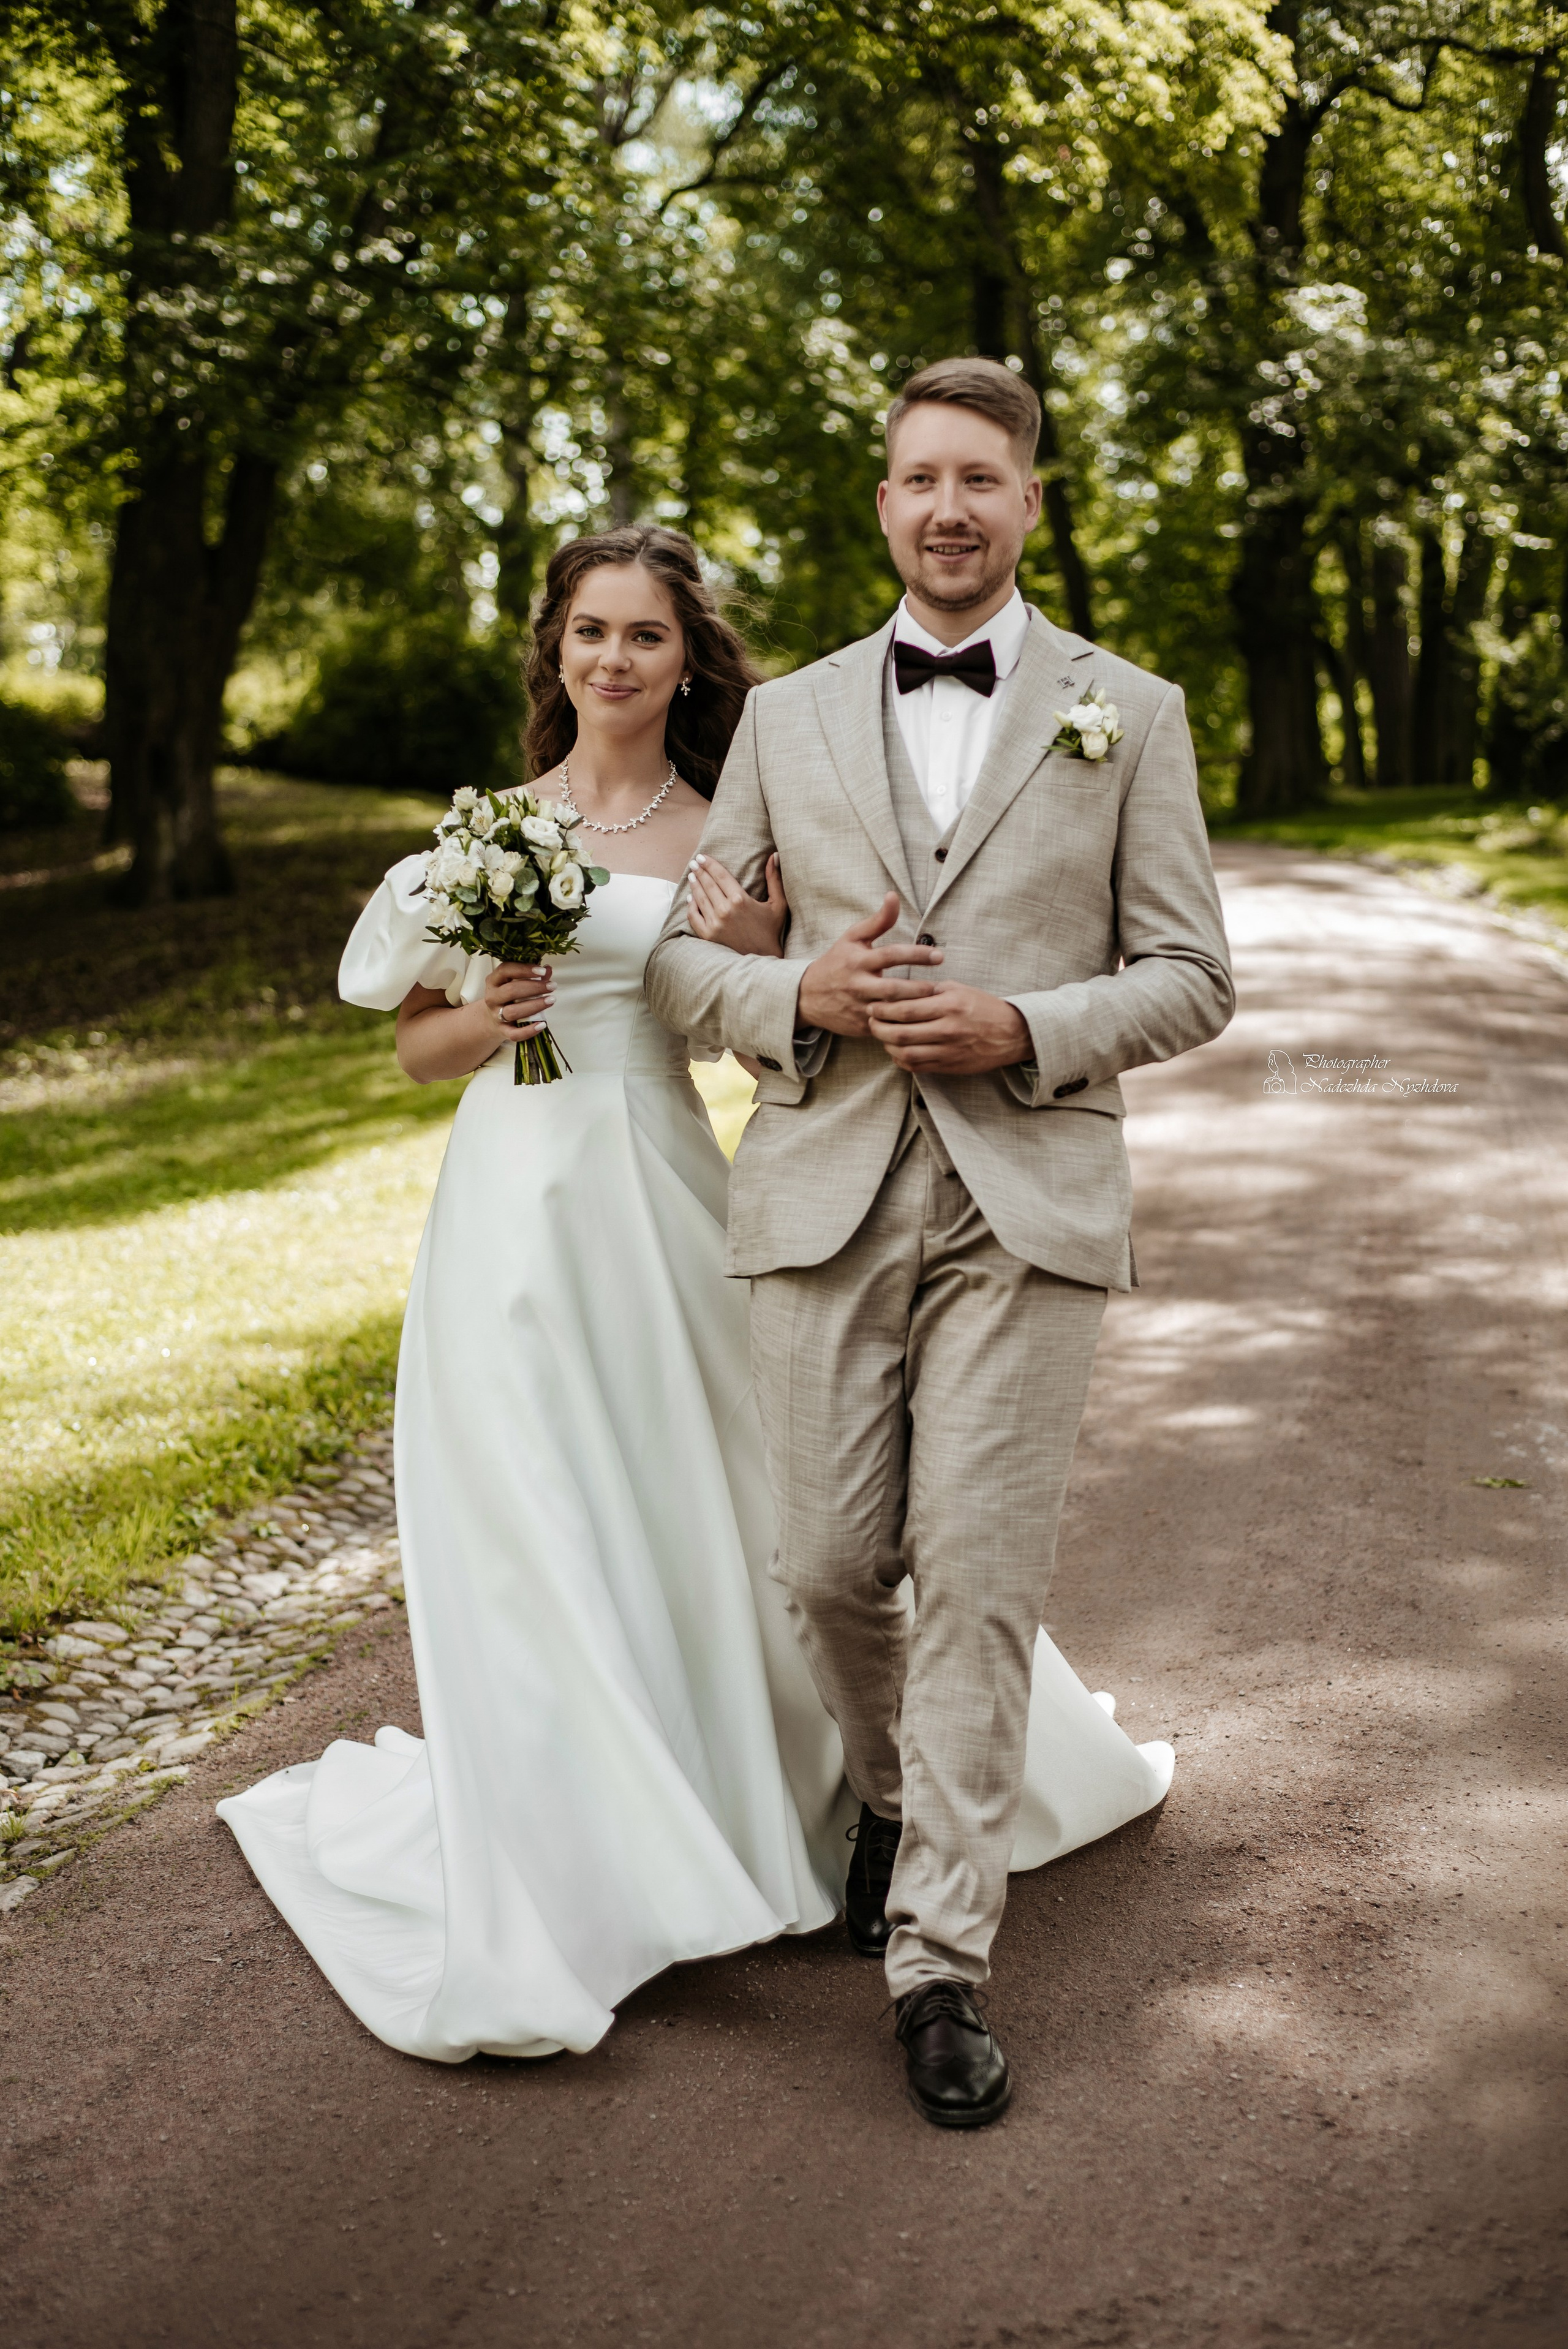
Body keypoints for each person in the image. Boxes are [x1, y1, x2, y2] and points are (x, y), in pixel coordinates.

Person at [217, 521, 1177, 2067]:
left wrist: (756, 948)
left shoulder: (724, 826)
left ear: (685, 659)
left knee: (727, 1504)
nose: (612, 659)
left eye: (644, 637)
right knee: (527, 1514)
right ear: (555, 649)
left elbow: (771, 1045)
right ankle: (580, 1842)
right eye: (588, 633)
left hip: (660, 1183)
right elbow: (414, 1048)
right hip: (506, 1210)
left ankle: (804, 1790)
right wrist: (491, 1010)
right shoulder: (485, 831)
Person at [646, 363, 1233, 2127]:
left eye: (985, 477)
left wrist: (1027, 1027)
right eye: (921, 479)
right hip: (821, 1177)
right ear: (883, 503)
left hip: (1029, 1200)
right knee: (828, 1561)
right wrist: (798, 989)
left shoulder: (1130, 710)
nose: (951, 507)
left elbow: (1196, 974)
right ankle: (892, 1789)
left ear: (1033, 501)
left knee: (976, 1572)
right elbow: (685, 962)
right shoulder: (788, 716)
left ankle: (939, 1962)